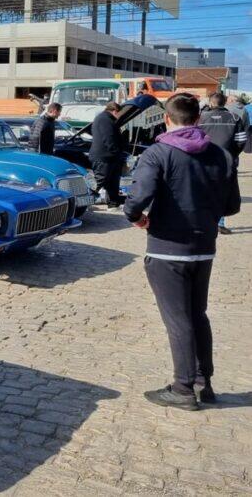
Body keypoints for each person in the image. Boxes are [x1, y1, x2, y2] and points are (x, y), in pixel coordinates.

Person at [124, 93, 241, 411]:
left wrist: (137, 218)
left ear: (166, 119)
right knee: (197, 315)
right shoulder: (221, 155)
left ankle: (183, 388)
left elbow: (136, 200)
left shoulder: (157, 153)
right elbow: (232, 206)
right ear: (198, 119)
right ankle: (204, 383)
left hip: (167, 250)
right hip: (204, 249)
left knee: (178, 320)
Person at [199, 92, 247, 234]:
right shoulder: (235, 118)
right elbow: (241, 140)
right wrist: (232, 155)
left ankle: (203, 222)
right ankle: (219, 223)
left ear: (210, 102)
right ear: (225, 102)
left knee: (202, 192)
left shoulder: (200, 118)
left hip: (204, 162)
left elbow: (194, 137)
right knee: (222, 193)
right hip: (227, 162)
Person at [89, 101, 128, 208]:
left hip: (109, 157)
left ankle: (113, 202)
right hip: (104, 157)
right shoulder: (105, 120)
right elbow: (109, 139)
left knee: (113, 182)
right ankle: (85, 201)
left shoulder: (105, 119)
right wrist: (117, 152)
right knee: (100, 181)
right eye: (119, 113)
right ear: (115, 111)